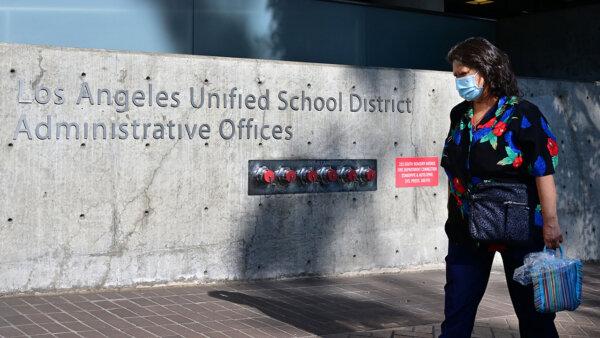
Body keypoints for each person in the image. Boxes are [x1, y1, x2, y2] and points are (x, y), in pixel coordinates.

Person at [439, 37, 563, 338]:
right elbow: (453, 169)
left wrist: (550, 223)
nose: (459, 81)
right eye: (455, 75)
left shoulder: (523, 113)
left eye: (463, 73)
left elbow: (543, 169)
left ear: (486, 70)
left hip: (520, 226)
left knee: (535, 317)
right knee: (456, 313)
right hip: (466, 228)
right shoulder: (460, 114)